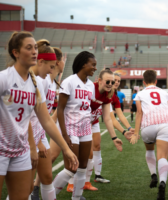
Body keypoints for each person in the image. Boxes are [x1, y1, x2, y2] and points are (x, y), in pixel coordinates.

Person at [0, 31, 78, 200]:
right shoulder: (4, 79)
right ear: (16, 52)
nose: (34, 51)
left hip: (21, 150)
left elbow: (46, 121)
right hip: (1, 149)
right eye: (29, 48)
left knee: (23, 195)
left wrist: (66, 148)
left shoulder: (35, 84)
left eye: (35, 47)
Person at [52, 51, 99, 200]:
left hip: (85, 127)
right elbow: (60, 109)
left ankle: (77, 197)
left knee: (83, 167)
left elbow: (87, 106)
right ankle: (49, 195)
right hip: (70, 127)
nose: (94, 68)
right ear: (84, 64)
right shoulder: (69, 81)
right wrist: (64, 135)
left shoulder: (90, 85)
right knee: (71, 167)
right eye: (93, 65)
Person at [130, 70, 168, 200]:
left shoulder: (140, 93)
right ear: (156, 81)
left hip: (148, 126)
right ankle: (162, 183)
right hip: (164, 125)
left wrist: (136, 133)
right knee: (162, 156)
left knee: (150, 150)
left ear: (144, 82)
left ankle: (153, 175)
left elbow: (139, 113)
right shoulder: (164, 92)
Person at [31, 47, 66, 200]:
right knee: (22, 186)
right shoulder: (41, 80)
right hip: (29, 135)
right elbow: (31, 115)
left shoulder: (50, 81)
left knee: (47, 177)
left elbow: (44, 115)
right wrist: (37, 142)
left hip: (39, 132)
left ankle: (35, 191)